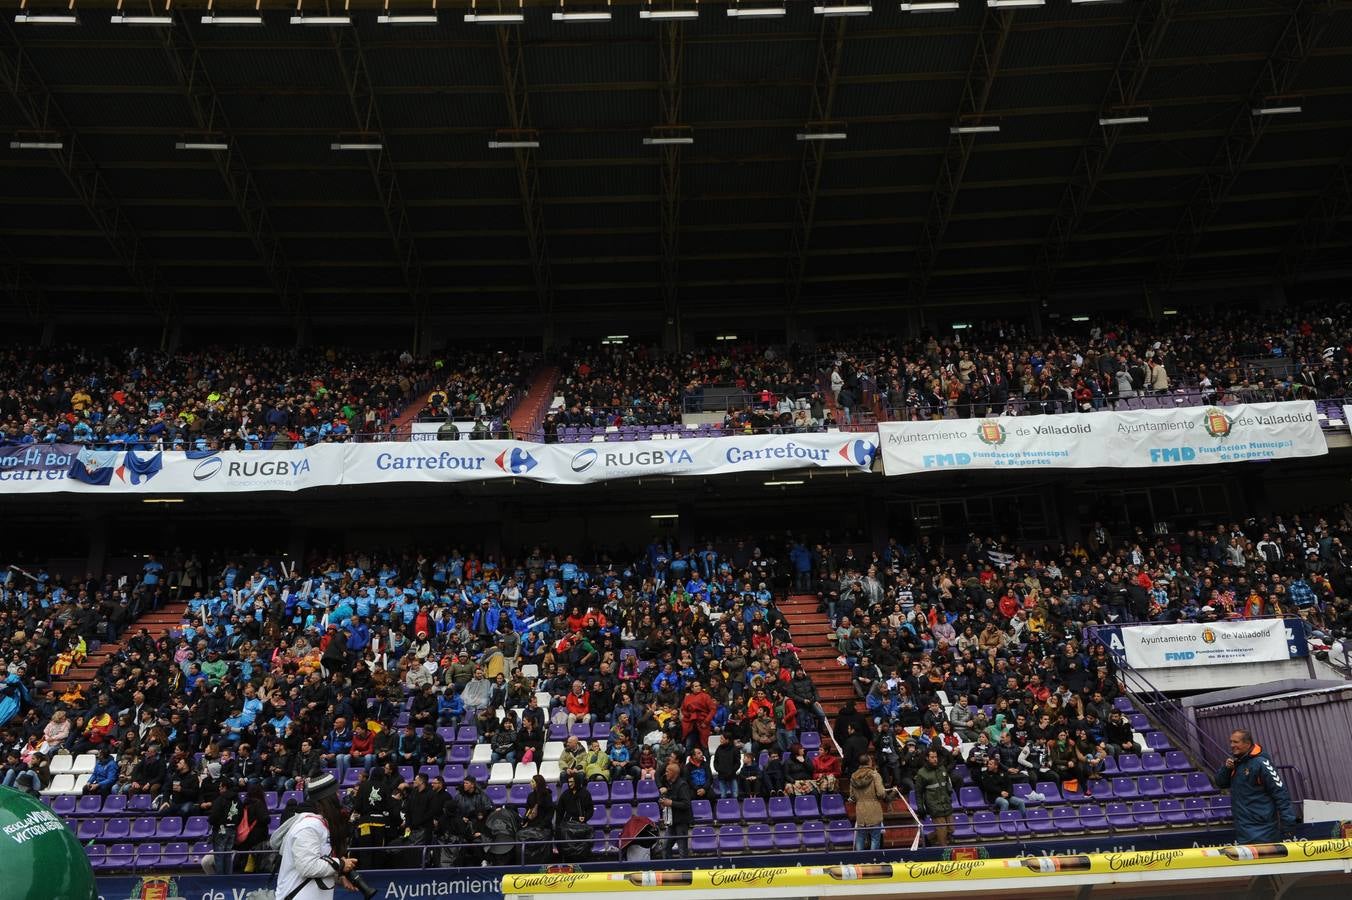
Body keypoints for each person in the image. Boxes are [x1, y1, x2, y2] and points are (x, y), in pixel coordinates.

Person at [269, 773, 359, 900]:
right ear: (328, 797)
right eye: (336, 793)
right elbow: (308, 866)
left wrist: (339, 877)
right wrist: (341, 864)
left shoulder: (319, 824)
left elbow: (319, 861)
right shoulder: (309, 826)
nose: (339, 796)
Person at [1215, 729, 1298, 843]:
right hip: (1243, 829)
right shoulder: (1235, 763)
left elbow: (1280, 793)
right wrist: (1226, 769)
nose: (1232, 745)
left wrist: (1288, 823)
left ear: (1247, 744)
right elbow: (1220, 783)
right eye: (1231, 742)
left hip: (1264, 829)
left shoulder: (1261, 763)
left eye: (1236, 742)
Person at [913, 748, 954, 847]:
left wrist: (949, 792)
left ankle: (928, 839)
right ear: (927, 758)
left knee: (951, 830)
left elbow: (947, 782)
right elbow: (918, 792)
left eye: (936, 757)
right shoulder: (921, 773)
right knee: (942, 833)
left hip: (946, 803)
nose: (935, 759)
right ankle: (944, 853)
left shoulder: (942, 768)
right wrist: (920, 807)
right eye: (932, 757)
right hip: (934, 806)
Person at [847, 752, 887, 852]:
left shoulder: (853, 776)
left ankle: (860, 860)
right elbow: (881, 793)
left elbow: (852, 796)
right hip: (874, 808)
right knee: (875, 837)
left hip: (860, 809)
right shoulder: (875, 775)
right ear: (869, 762)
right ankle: (873, 860)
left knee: (860, 837)